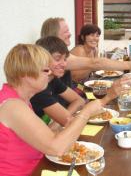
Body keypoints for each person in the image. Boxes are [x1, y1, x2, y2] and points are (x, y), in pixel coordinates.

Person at [0, 44, 121, 176]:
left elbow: (44, 137)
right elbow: (56, 148)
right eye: (46, 70)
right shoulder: (13, 106)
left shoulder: (19, 99)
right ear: (26, 74)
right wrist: (86, 112)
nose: (50, 73)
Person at [41, 17, 131, 78]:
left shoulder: (61, 54)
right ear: (53, 34)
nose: (70, 34)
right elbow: (95, 63)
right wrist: (130, 64)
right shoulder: (56, 57)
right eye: (66, 31)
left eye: (97, 35)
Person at [30, 36, 86, 127]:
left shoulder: (52, 79)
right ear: (42, 59)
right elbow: (66, 120)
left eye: (65, 59)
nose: (64, 64)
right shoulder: (38, 89)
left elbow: (79, 100)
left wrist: (57, 122)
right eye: (57, 59)